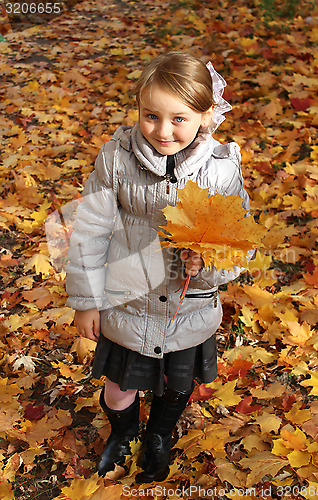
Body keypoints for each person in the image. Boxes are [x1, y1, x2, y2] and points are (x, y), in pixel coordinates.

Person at [65, 51, 251, 483]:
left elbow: (238, 245)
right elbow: (90, 231)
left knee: (177, 386)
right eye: (151, 116)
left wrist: (207, 264)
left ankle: (159, 435)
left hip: (187, 308)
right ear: (139, 109)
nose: (163, 131)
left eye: (178, 119)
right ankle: (124, 433)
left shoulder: (221, 172)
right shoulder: (116, 158)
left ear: (205, 117)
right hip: (126, 302)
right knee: (118, 386)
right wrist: (86, 301)